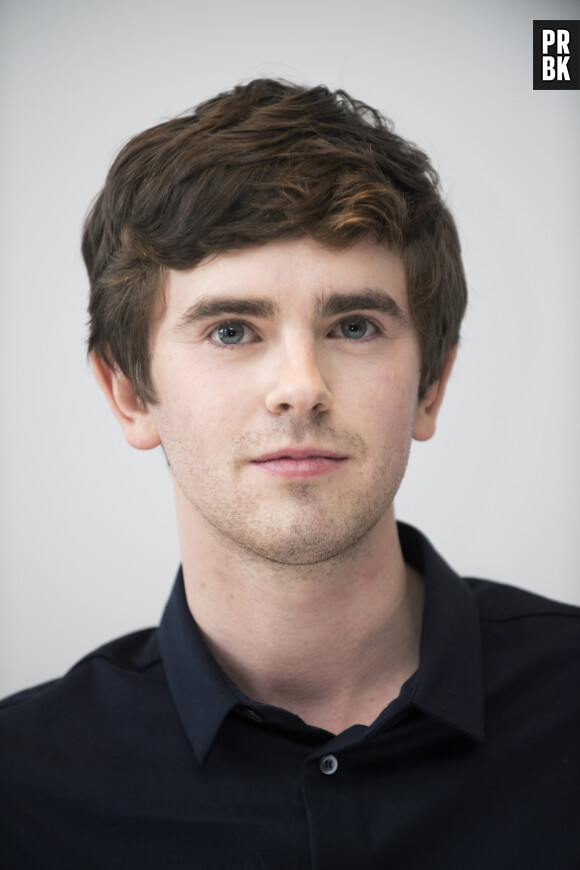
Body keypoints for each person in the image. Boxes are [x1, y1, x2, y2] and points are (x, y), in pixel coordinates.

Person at [1, 78, 578, 869]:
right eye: (232, 330)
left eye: (353, 326)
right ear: (131, 394)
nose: (301, 385)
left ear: (431, 386)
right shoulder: (20, 786)